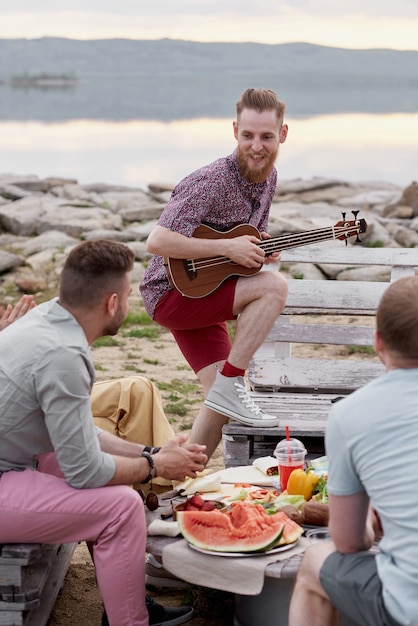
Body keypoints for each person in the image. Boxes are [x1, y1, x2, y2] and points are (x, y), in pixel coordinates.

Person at [0, 239, 207, 626]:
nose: (131, 305)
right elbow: (85, 472)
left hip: (13, 463)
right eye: (129, 295)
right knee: (121, 508)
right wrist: (155, 465)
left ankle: (128, 607)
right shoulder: (63, 356)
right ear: (112, 303)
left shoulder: (46, 318)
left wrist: (150, 451)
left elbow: (83, 436)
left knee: (111, 480)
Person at [140, 87, 289, 460]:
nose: (257, 146)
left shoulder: (268, 180)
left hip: (206, 287)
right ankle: (232, 379)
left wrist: (259, 249)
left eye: (267, 137)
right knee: (273, 288)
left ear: (282, 135)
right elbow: (157, 241)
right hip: (171, 293)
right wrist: (227, 248)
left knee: (222, 403)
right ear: (235, 130)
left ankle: (182, 475)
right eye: (248, 135)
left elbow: (243, 239)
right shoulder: (211, 181)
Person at [288, 275, 418, 626]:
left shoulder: (350, 414)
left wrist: (370, 521)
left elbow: (349, 543)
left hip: (407, 608)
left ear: (377, 342)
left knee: (314, 560)